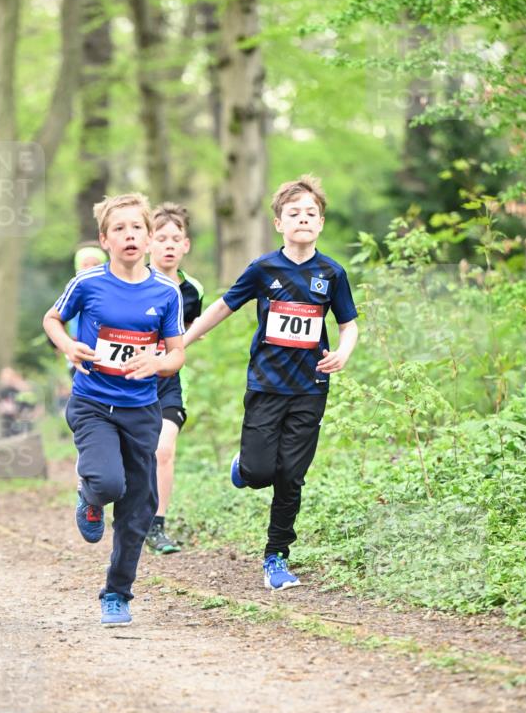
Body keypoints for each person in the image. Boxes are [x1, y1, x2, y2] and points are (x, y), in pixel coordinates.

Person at [183, 175, 358, 591]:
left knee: (291, 477)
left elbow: (348, 324)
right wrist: (183, 342)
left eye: (310, 213)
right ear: (278, 223)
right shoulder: (263, 269)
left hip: (310, 388)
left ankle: (276, 556)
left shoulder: (332, 273)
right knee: (261, 471)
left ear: (320, 223)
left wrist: (344, 352)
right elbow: (224, 306)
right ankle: (243, 469)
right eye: (293, 213)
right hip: (265, 385)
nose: (303, 219)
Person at [42, 193, 185, 627]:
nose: (129, 235)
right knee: (107, 482)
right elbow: (52, 319)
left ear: (147, 236)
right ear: (105, 239)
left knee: (139, 508)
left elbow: (177, 352)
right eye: (119, 229)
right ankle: (90, 497)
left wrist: (157, 362)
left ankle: (117, 593)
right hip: (92, 404)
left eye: (136, 228)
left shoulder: (166, 292)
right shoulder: (87, 283)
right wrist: (68, 346)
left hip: (142, 409)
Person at [146, 202, 204, 554]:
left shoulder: (193, 291)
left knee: (164, 450)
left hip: (168, 380)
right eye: (162, 238)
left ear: (186, 245)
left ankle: (157, 526)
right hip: (127, 379)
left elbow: (193, 328)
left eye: (176, 238)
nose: (169, 245)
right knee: (131, 455)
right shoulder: (134, 281)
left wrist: (173, 350)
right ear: (150, 241)